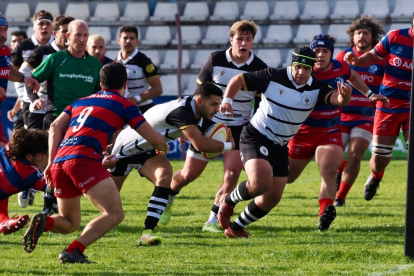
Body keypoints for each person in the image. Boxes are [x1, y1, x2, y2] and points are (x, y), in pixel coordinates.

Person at [23, 62, 169, 263]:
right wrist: (163, 146)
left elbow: (56, 125)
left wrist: (51, 160)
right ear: (125, 84)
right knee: (114, 213)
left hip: (59, 162)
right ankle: (73, 251)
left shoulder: (80, 102)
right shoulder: (125, 104)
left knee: (70, 222)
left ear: (101, 83)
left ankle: (45, 222)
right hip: (83, 161)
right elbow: (155, 138)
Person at [217, 47, 351, 238]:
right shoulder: (273, 75)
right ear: (292, 64)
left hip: (280, 144)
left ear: (312, 68)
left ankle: (236, 227)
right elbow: (239, 79)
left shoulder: (317, 87)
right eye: (298, 67)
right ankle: (228, 202)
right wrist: (228, 99)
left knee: (273, 197)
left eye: (306, 68)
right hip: (256, 135)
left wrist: (345, 95)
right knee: (260, 183)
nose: (301, 72)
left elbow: (337, 99)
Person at [160, 20, 268, 233]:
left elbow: (259, 104)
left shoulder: (259, 68)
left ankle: (212, 220)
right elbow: (198, 96)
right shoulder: (216, 59)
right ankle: (168, 196)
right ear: (231, 40)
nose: (243, 43)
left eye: (248, 39)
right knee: (189, 174)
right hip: (209, 123)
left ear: (253, 42)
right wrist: (188, 125)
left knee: (232, 174)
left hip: (238, 128)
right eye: (239, 39)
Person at [109, 81, 234, 244]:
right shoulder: (183, 111)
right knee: (109, 206)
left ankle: (148, 231)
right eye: (213, 104)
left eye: (218, 104)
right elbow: (200, 144)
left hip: (147, 150)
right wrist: (230, 145)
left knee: (164, 176)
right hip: (123, 151)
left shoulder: (194, 111)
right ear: (199, 101)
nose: (217, 109)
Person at [287, 34, 388, 231]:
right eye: (316, 51)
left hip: (331, 129)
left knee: (329, 169)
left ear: (331, 54)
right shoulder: (300, 72)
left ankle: (326, 209)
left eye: (325, 51)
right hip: (303, 131)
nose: (320, 55)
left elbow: (353, 75)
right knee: (288, 177)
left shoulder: (340, 67)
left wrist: (369, 94)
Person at [344, 19, 414, 201]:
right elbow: (374, 56)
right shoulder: (396, 36)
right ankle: (375, 176)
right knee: (378, 163)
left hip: (410, 106)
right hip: (388, 105)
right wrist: (358, 61)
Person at [16, 15, 75, 210]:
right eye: (65, 31)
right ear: (57, 33)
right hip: (38, 109)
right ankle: (29, 185)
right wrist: (34, 99)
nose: (68, 35)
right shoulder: (41, 52)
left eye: (71, 32)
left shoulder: (75, 56)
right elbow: (26, 78)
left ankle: (52, 200)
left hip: (62, 111)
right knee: (38, 154)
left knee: (58, 156)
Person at [334, 16, 386, 207]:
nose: (361, 36)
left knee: (356, 153)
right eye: (358, 33)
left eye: (366, 33)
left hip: (366, 115)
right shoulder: (342, 56)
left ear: (373, 38)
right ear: (352, 37)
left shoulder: (381, 60)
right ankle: (340, 169)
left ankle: (340, 197)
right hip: (340, 115)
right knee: (334, 155)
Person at [27, 19, 102, 131]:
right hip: (56, 119)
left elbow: (100, 94)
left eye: (85, 35)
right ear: (68, 36)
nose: (82, 39)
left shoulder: (96, 64)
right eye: (78, 35)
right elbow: (31, 79)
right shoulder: (55, 59)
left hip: (83, 120)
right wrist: (35, 99)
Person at [0, 13, 40, 148]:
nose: (3, 35)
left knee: (7, 149)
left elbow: (8, 70)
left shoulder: (4, 50)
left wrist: (25, 78)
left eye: (5, 30)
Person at [11, 10, 54, 130]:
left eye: (48, 23)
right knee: (30, 135)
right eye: (41, 23)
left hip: (52, 99)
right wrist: (22, 95)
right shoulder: (23, 45)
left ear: (52, 27)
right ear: (34, 27)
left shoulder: (57, 46)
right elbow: (14, 71)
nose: (44, 26)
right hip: (28, 98)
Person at [0, 128, 48, 235]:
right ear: (29, 156)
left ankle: (4, 221)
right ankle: (4, 222)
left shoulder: (9, 147)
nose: (43, 157)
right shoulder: (27, 174)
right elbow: (53, 187)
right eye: (41, 154)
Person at [115, 25, 162, 113]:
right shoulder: (115, 62)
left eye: (132, 38)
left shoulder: (144, 61)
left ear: (137, 41)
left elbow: (158, 89)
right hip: (122, 109)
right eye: (125, 38)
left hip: (144, 109)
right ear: (119, 41)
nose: (128, 41)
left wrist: (137, 98)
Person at [7, 30, 28, 129]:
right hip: (25, 108)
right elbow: (23, 93)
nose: (17, 44)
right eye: (14, 41)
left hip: (35, 108)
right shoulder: (12, 63)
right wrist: (15, 109)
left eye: (20, 40)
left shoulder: (31, 62)